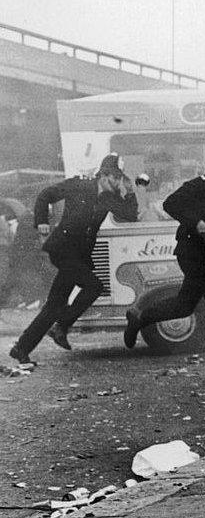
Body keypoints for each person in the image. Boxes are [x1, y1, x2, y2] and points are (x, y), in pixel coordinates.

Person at [123, 144, 205, 382]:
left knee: (185, 306)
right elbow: (170, 203)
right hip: (191, 251)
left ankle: (140, 318)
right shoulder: (202, 184)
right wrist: (196, 222)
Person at [8, 154, 137, 365]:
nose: (118, 182)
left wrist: (130, 192)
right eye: (116, 177)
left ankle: (21, 348)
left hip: (79, 256)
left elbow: (130, 215)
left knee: (54, 305)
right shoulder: (78, 185)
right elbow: (45, 195)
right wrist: (41, 222)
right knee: (95, 286)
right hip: (63, 250)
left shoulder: (109, 198)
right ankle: (61, 327)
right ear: (104, 175)